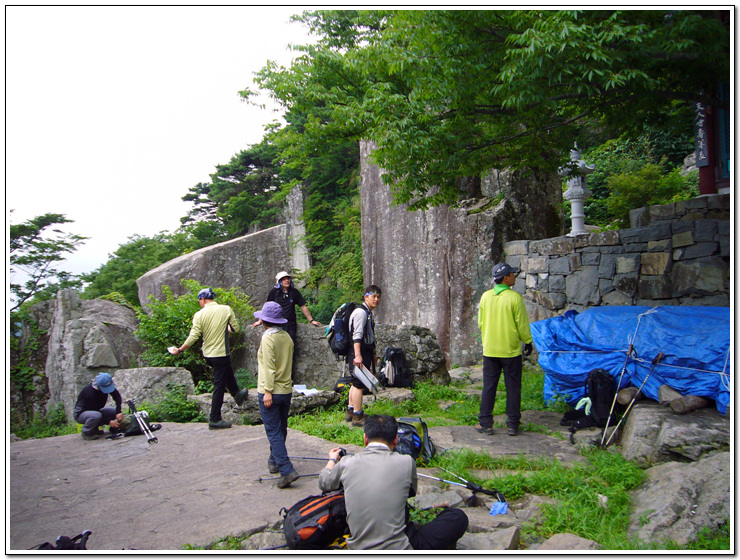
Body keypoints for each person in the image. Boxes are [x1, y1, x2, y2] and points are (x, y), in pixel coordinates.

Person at [318, 414, 469, 550]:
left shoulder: (346, 463)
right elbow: (410, 492)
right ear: (396, 440)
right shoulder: (407, 462)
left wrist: (332, 460)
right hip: (400, 548)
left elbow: (324, 482)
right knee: (457, 517)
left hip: (358, 548)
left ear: (365, 439)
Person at [171, 288, 248, 430]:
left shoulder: (199, 315)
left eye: (199, 300)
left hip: (208, 354)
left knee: (226, 370)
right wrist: (228, 329)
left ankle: (237, 394)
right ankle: (215, 419)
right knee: (219, 385)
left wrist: (180, 349)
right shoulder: (226, 309)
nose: (199, 303)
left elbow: (194, 336)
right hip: (221, 352)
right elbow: (236, 328)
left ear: (203, 299)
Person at [476, 263, 533, 437]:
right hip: (510, 351)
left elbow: (481, 323)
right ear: (506, 278)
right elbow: (522, 324)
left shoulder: (485, 297)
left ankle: (485, 423)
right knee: (513, 387)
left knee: (489, 387)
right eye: (512, 274)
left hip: (491, 350)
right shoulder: (515, 298)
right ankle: (513, 424)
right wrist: (528, 341)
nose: (514, 277)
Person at [254, 301, 299, 489]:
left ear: (265, 321)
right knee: (281, 429)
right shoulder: (287, 337)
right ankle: (274, 461)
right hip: (286, 390)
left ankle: (286, 469)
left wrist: (267, 391)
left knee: (273, 431)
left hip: (270, 390)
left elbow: (269, 368)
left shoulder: (268, 338)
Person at [252, 271, 321, 356]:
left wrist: (311, 320)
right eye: (284, 279)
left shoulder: (294, 292)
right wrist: (260, 321)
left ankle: (288, 367)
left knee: (290, 346)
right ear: (279, 281)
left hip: (290, 324)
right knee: (276, 346)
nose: (287, 280)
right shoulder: (274, 292)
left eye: (288, 278)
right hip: (276, 324)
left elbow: (303, 306)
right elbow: (267, 308)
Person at [345, 285, 381, 427]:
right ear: (366, 297)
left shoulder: (367, 312)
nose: (376, 299)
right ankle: (358, 416)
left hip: (362, 351)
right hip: (358, 351)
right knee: (359, 384)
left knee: (355, 382)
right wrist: (358, 355)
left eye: (378, 297)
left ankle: (351, 411)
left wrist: (373, 354)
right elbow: (357, 335)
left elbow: (369, 335)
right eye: (373, 296)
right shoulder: (361, 313)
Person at [74, 372, 123, 440]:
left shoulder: (106, 384)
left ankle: (109, 428)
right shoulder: (90, 392)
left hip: (95, 411)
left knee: (114, 411)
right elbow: (95, 410)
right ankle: (86, 433)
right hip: (81, 413)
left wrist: (118, 411)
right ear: (99, 385)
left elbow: (117, 396)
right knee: (96, 415)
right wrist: (108, 422)